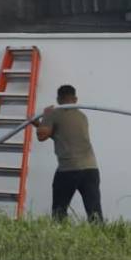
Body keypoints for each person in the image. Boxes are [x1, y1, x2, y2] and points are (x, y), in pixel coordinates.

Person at [35, 84, 103, 222]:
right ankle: (100, 238)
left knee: (59, 211)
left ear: (58, 99)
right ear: (75, 99)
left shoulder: (54, 113)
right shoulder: (82, 116)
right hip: (91, 169)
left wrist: (46, 116)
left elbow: (42, 136)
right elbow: (60, 135)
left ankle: (60, 237)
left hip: (69, 169)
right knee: (94, 212)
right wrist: (37, 123)